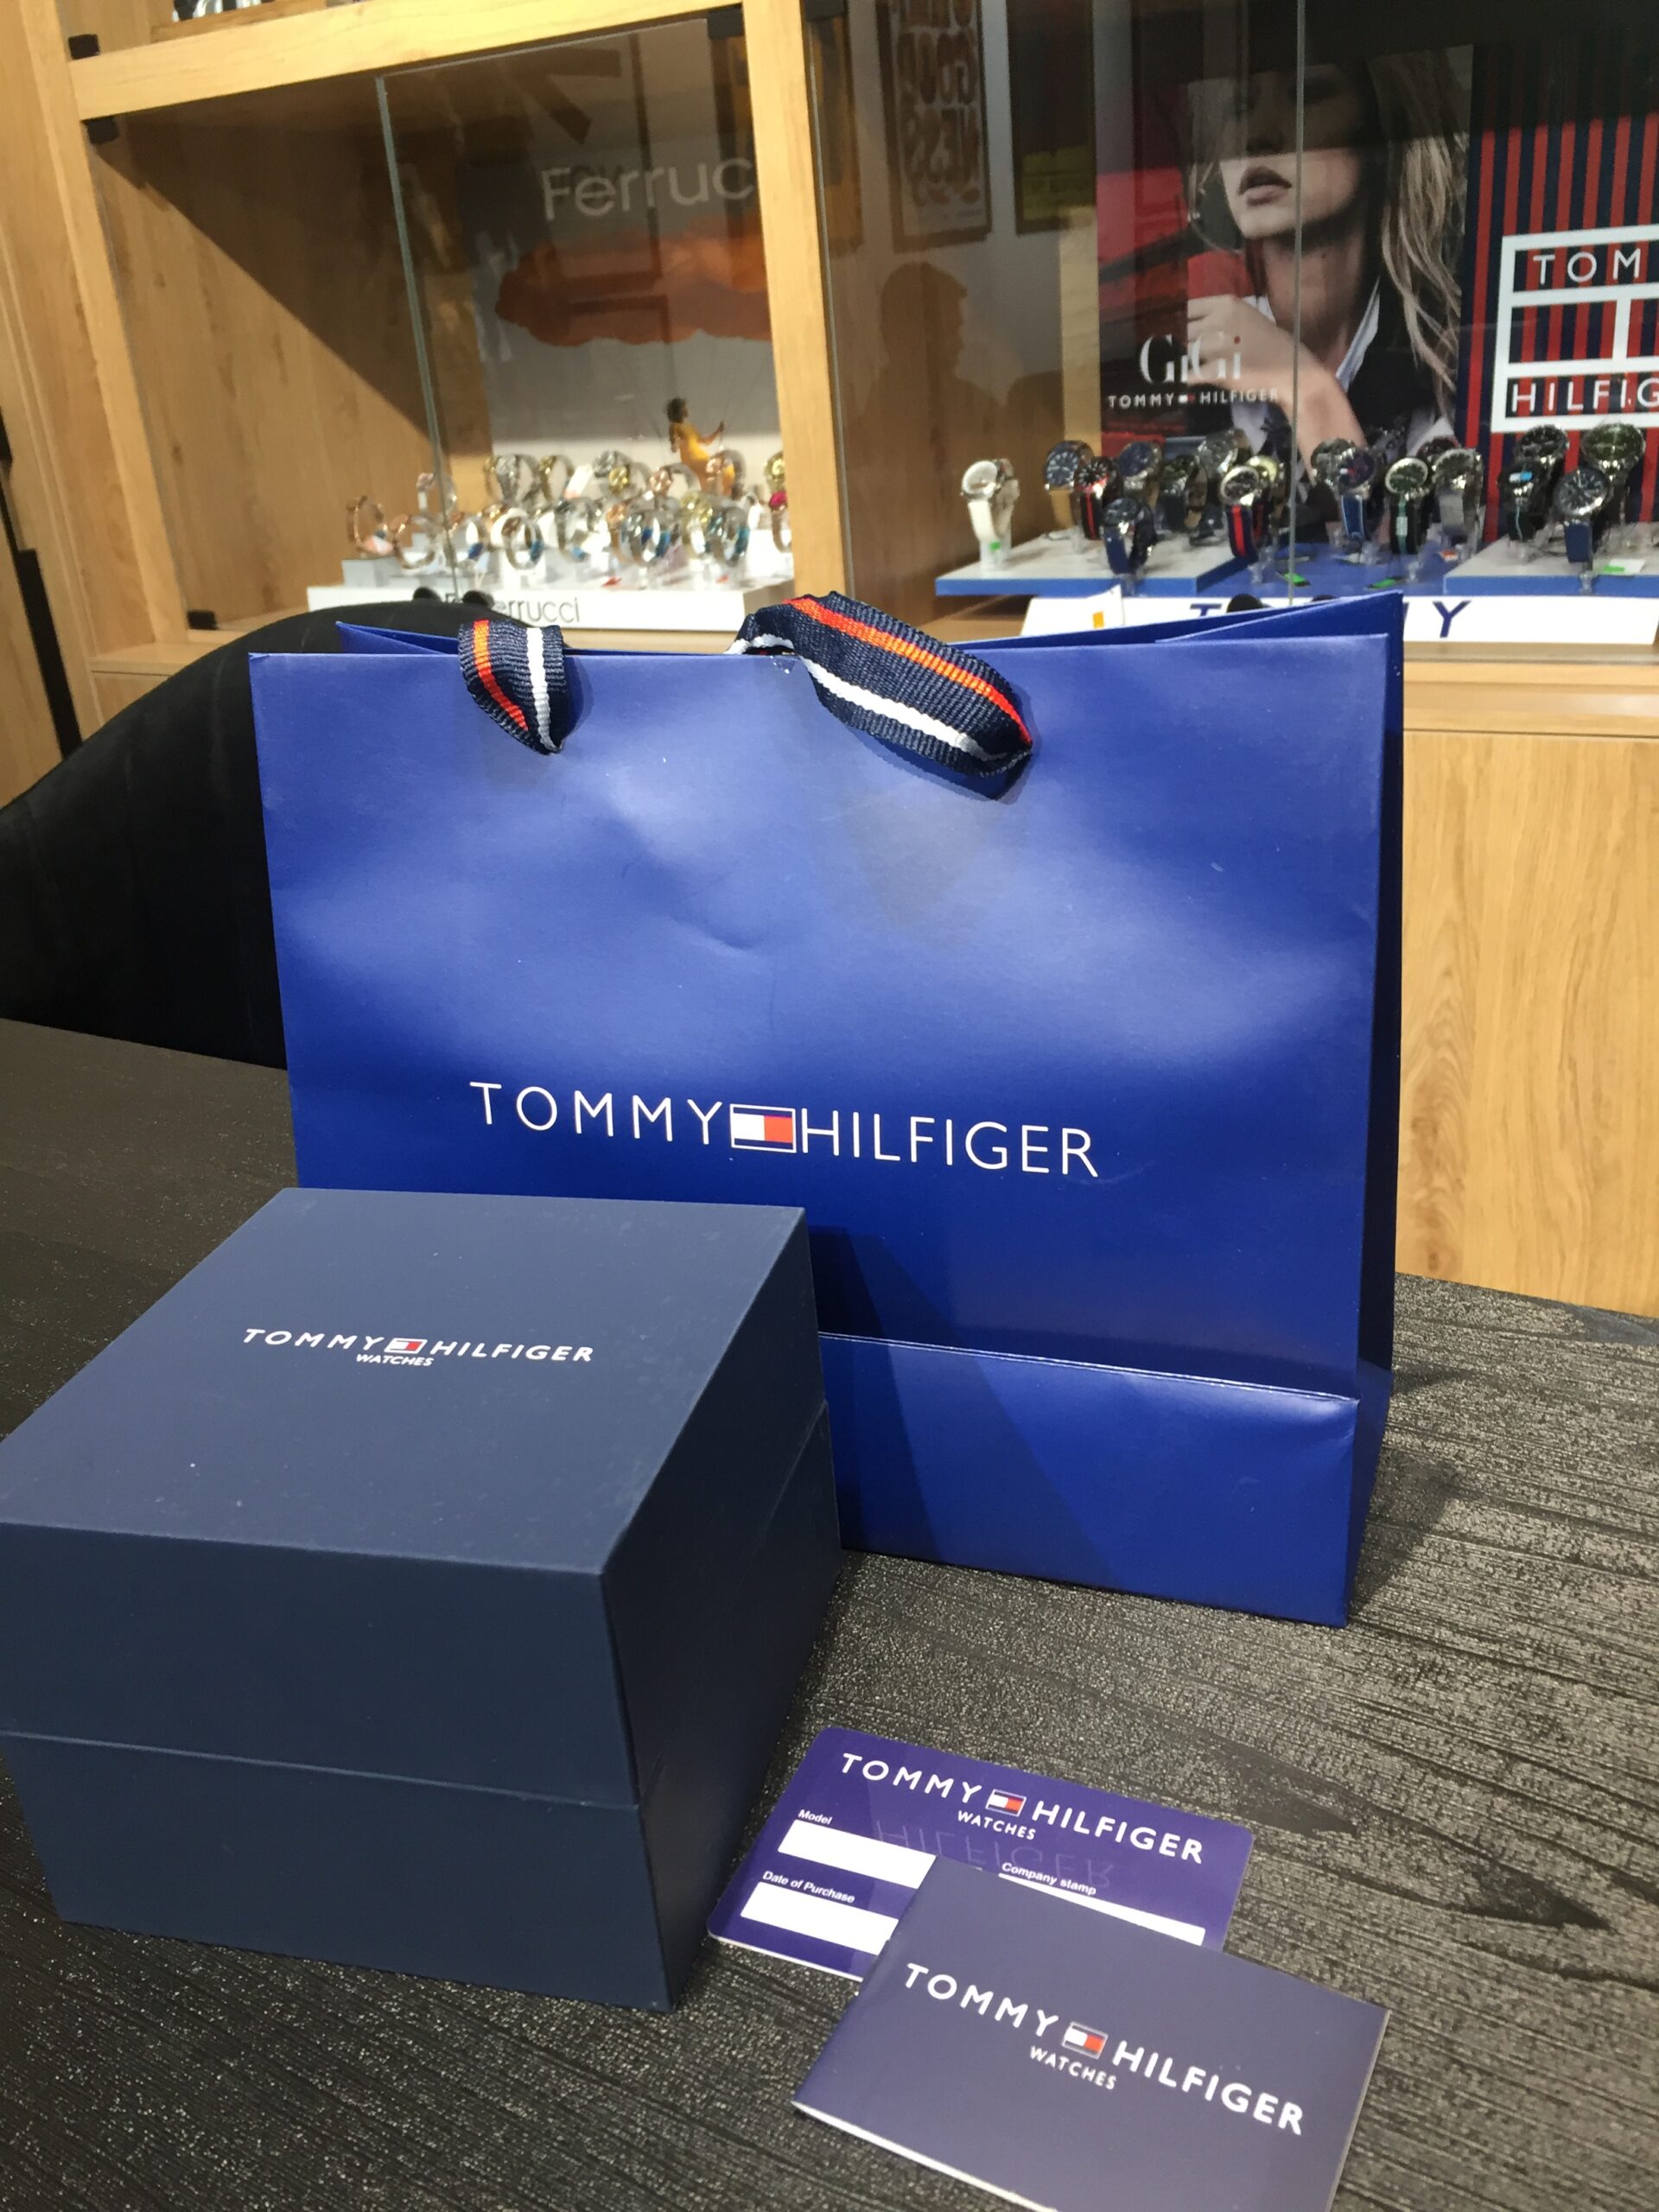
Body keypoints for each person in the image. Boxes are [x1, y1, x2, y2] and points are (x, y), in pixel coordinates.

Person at [1185, 57, 1466, 473]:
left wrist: (1305, 389)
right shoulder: (1189, 362)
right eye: (1238, 109)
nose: (1256, 137)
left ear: (1382, 126)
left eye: (1308, 95)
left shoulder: (1454, 359)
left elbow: (1388, 521)